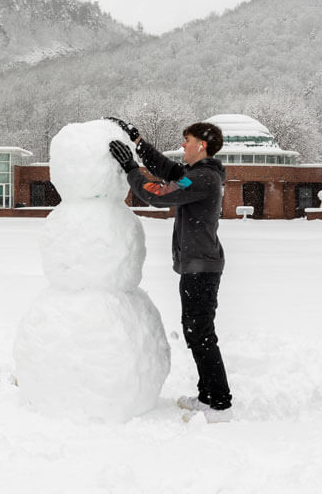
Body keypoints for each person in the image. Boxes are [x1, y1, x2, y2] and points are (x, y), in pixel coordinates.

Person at [107, 117, 232, 423]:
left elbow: (157, 193)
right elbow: (168, 170)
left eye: (186, 141)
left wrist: (131, 170)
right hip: (198, 266)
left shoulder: (202, 179)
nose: (182, 146)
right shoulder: (198, 174)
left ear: (201, 146)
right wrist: (138, 143)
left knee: (201, 333)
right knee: (196, 331)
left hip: (201, 269)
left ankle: (219, 404)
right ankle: (208, 396)